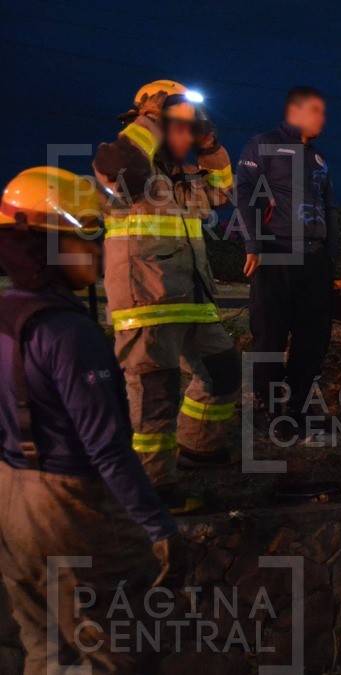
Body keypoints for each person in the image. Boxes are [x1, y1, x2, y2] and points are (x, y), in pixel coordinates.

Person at [0, 167, 183, 673]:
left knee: (45, 651)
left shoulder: (7, 314)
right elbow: (107, 450)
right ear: (45, 246)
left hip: (11, 502)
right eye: (85, 237)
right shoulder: (68, 334)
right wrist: (157, 525)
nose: (98, 249)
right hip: (71, 513)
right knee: (119, 654)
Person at [93, 80, 241, 512]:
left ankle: (199, 447)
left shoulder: (184, 175)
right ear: (151, 120)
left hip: (194, 299)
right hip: (147, 304)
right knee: (155, 395)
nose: (183, 131)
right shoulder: (117, 162)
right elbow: (124, 166)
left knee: (224, 373)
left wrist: (208, 141)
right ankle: (152, 487)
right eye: (173, 121)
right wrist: (153, 116)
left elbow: (225, 189)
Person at [235, 86, 339, 432]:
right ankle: (269, 408)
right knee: (270, 335)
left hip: (315, 260)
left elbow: (329, 207)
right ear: (294, 111)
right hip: (276, 254)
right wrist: (253, 244)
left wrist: (331, 257)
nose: (322, 118)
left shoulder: (320, 158)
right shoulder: (263, 145)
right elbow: (245, 192)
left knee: (313, 338)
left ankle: (298, 407)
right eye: (316, 110)